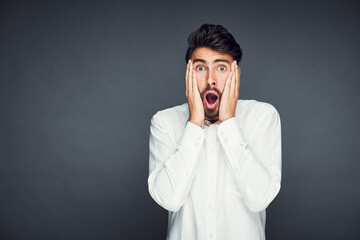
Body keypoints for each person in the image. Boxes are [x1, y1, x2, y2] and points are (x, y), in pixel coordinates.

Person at [148, 23, 282, 240]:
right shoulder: (164, 122)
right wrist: (194, 123)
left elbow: (259, 198)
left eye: (221, 68)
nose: (211, 79)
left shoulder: (263, 117)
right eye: (201, 68)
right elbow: (169, 199)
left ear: (235, 73)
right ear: (189, 73)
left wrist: (229, 122)